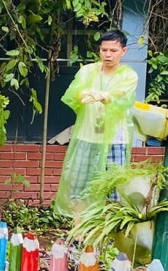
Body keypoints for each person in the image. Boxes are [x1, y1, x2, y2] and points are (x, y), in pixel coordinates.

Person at [53, 30, 137, 218]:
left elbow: (121, 97)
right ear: (99, 50)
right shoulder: (87, 71)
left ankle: (105, 238)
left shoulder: (129, 75)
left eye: (113, 50)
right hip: (86, 138)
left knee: (114, 192)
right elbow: (74, 92)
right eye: (104, 49)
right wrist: (82, 95)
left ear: (123, 51)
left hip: (116, 140)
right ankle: (80, 233)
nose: (108, 54)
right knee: (79, 188)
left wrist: (102, 95)